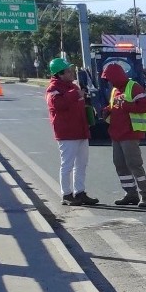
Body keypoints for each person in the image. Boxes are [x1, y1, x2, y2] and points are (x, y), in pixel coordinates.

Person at [45, 58, 99, 207]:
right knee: (67, 165)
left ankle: (79, 192)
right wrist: (75, 94)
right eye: (68, 71)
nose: (72, 73)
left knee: (81, 164)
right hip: (67, 133)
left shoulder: (73, 87)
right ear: (60, 74)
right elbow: (57, 105)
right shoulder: (53, 89)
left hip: (81, 130)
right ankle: (66, 194)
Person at [99, 63, 146, 208]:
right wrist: (107, 110)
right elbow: (114, 105)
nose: (109, 82)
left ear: (116, 76)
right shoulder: (115, 90)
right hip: (116, 133)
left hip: (130, 133)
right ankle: (130, 193)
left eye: (109, 78)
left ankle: (145, 195)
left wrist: (125, 105)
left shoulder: (134, 87)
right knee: (120, 164)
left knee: (134, 164)